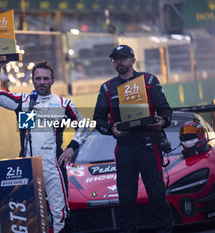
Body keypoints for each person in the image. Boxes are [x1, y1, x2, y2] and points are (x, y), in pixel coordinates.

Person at [0, 60, 89, 233]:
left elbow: (84, 125)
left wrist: (72, 147)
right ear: (33, 80)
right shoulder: (23, 101)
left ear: (52, 81)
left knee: (59, 213)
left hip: (53, 166)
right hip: (27, 168)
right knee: (27, 216)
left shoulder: (64, 104)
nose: (42, 82)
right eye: (38, 78)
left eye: (45, 79)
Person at [93, 45, 173, 233]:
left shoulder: (149, 80)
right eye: (115, 59)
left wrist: (162, 121)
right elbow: (98, 119)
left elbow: (166, 111)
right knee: (127, 200)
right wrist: (111, 129)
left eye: (123, 58)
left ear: (133, 60)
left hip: (149, 144)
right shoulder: (107, 87)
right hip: (124, 148)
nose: (119, 62)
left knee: (156, 195)